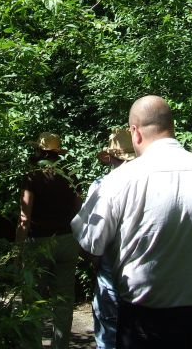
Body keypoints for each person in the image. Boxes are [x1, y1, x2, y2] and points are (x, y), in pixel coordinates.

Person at [71, 96, 192, 349]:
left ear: (135, 132)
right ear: (172, 126)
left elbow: (88, 247)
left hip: (143, 325)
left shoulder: (118, 181)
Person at [16, 132, 81, 349]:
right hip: (67, 241)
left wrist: (18, 250)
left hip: (38, 244)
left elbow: (24, 218)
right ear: (57, 153)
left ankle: (32, 345)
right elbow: (78, 211)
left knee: (33, 300)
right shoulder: (70, 175)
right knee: (64, 300)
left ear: (39, 151)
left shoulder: (32, 177)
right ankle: (60, 345)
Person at [74, 128, 136, 349]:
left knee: (109, 335)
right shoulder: (151, 182)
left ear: (110, 157)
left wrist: (95, 262)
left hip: (110, 273)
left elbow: (90, 237)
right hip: (147, 277)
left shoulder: (101, 185)